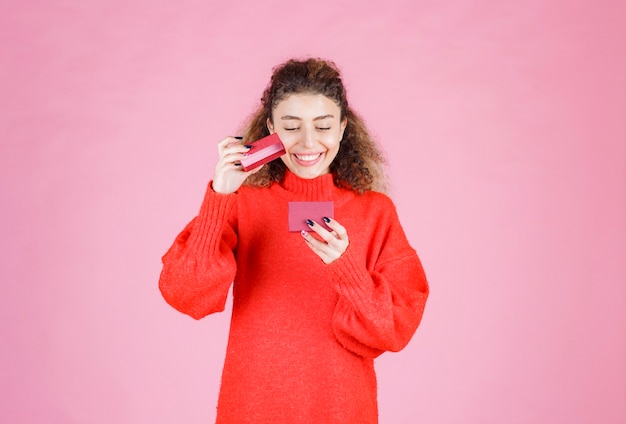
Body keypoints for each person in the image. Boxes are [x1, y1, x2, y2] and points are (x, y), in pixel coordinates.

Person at [158, 58, 429, 424]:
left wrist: (347, 269)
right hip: (252, 406)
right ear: (270, 128)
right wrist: (219, 198)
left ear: (343, 127)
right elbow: (187, 294)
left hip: (342, 409)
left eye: (323, 126)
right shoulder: (242, 202)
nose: (307, 142)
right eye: (290, 126)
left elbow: (394, 330)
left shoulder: (375, 211)